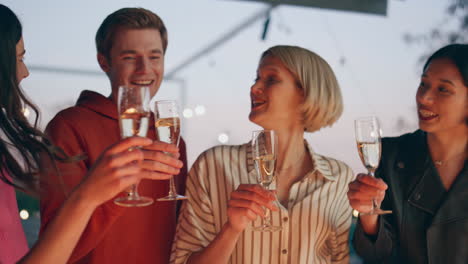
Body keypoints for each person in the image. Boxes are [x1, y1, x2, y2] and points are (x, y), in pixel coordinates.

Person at [0, 4, 177, 264]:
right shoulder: (69, 128)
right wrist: (109, 191)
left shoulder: (170, 137)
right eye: (129, 57)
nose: (144, 69)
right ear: (103, 61)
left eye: (154, 56)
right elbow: (59, 248)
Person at [171, 45, 354, 264]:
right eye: (257, 78)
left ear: (305, 93)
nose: (254, 87)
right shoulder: (213, 166)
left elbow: (339, 260)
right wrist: (232, 229)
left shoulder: (339, 177)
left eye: (271, 79)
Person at [348, 44, 468, 263]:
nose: (424, 97)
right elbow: (375, 254)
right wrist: (367, 213)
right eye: (424, 84)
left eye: (443, 89)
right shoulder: (393, 155)